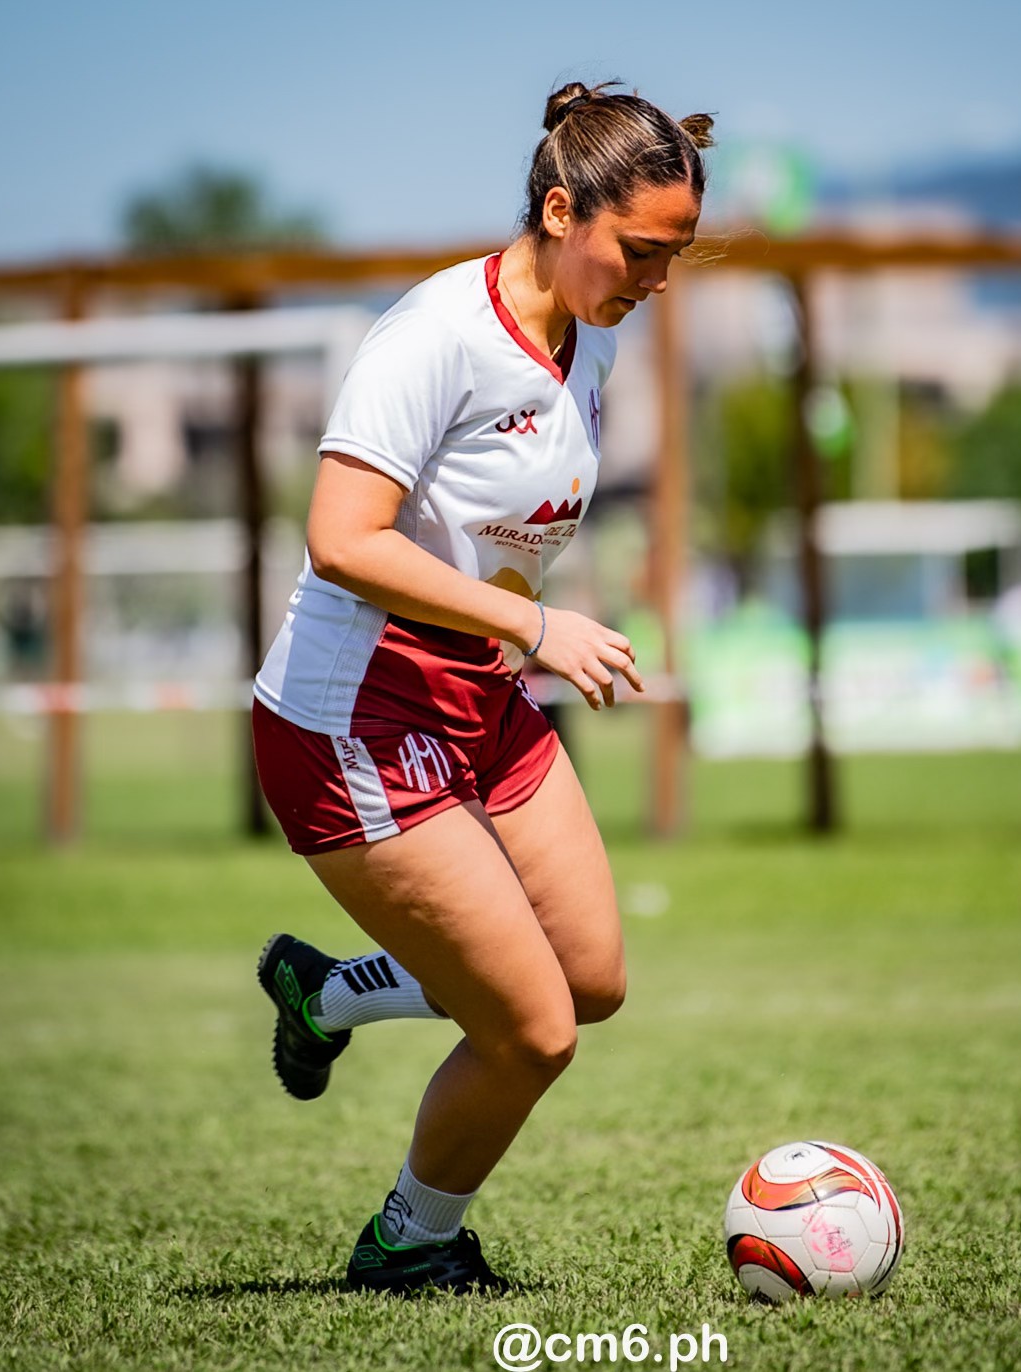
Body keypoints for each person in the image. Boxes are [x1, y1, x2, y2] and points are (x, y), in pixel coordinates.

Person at [251, 80, 713, 1297]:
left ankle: (326, 991)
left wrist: (520, 633)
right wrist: (536, 622)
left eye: (675, 257)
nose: (655, 281)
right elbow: (342, 539)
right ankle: (409, 1243)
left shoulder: (594, 327)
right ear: (560, 209)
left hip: (478, 700)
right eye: (642, 252)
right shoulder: (430, 336)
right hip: (353, 717)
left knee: (593, 978)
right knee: (532, 1031)